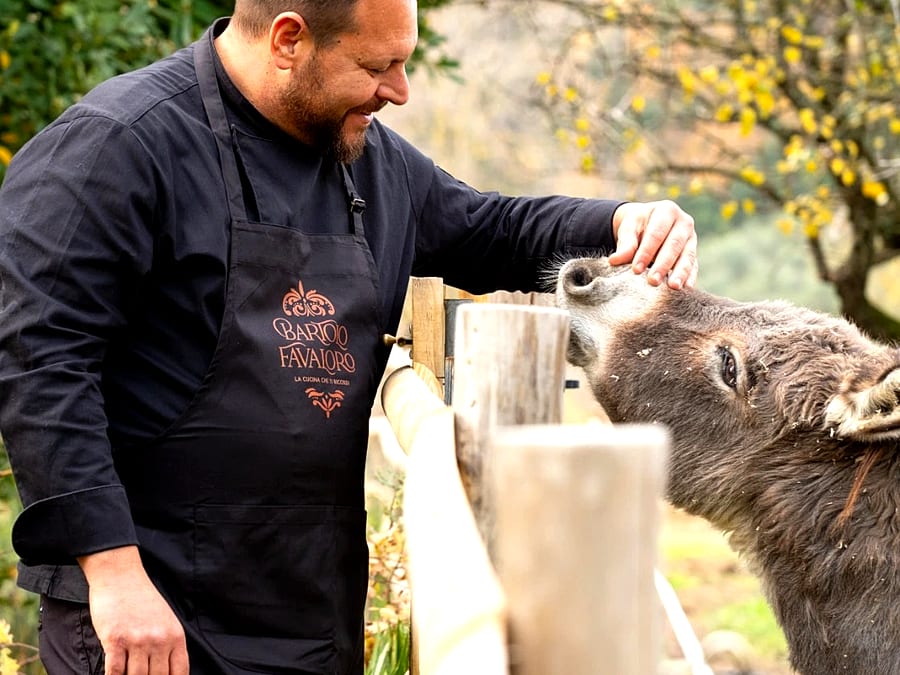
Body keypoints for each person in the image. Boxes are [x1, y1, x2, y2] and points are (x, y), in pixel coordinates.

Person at [0, 0, 698, 673]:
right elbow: (41, 364)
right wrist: (113, 573)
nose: (398, 90)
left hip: (309, 609)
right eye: (377, 65)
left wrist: (622, 222)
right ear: (288, 39)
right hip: (152, 617)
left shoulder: (368, 161)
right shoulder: (117, 148)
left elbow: (491, 228)